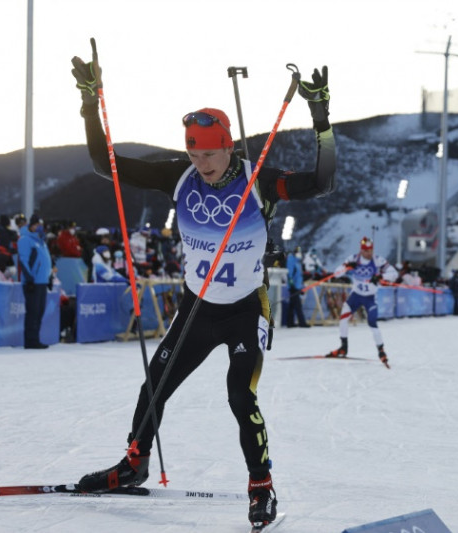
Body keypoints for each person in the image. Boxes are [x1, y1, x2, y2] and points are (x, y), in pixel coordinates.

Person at [70, 50, 335, 529]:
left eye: (209, 154)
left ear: (228, 147)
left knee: (240, 395)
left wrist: (320, 119)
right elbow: (104, 164)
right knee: (155, 384)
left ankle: (261, 485)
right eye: (194, 154)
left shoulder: (258, 181)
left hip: (244, 310)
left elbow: (321, 183)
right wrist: (91, 103)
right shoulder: (180, 176)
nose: (202, 163)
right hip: (198, 308)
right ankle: (134, 463)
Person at [327, 236, 397, 365]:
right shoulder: (353, 259)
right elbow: (336, 273)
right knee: (343, 318)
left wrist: (381, 276)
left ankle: (381, 351)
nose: (369, 253)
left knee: (372, 322)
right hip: (356, 296)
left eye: (370, 250)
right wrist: (347, 267)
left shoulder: (378, 260)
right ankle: (343, 347)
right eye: (366, 250)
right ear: (361, 250)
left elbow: (394, 274)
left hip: (370, 298)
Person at [17, 213, 51, 349]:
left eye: (41, 225)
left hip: (42, 281)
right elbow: (23, 260)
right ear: (31, 225)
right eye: (37, 225)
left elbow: (45, 261)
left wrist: (49, 277)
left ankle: (36, 338)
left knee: (40, 311)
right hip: (33, 282)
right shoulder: (25, 240)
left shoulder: (41, 241)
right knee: (33, 312)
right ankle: (31, 340)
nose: (39, 227)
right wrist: (29, 279)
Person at [285, 246, 309, 328]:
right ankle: (302, 322)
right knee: (298, 305)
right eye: (298, 252)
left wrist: (300, 286)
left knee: (292, 305)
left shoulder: (298, 262)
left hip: (297, 286)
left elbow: (299, 275)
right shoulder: (291, 260)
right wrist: (291, 283)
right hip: (293, 286)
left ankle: (290, 322)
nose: (299, 254)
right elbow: (290, 273)